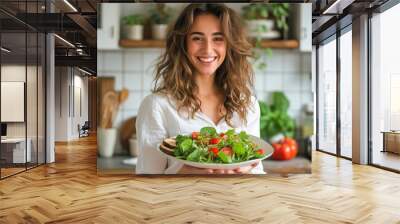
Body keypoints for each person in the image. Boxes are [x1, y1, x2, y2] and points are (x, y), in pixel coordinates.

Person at [136, 3, 265, 174]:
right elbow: (147, 181)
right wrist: (182, 174)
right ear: (183, 43)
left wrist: (247, 171)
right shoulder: (156, 105)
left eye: (218, 38)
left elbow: (257, 172)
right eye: (197, 38)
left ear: (229, 45)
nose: (207, 49)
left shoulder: (248, 104)